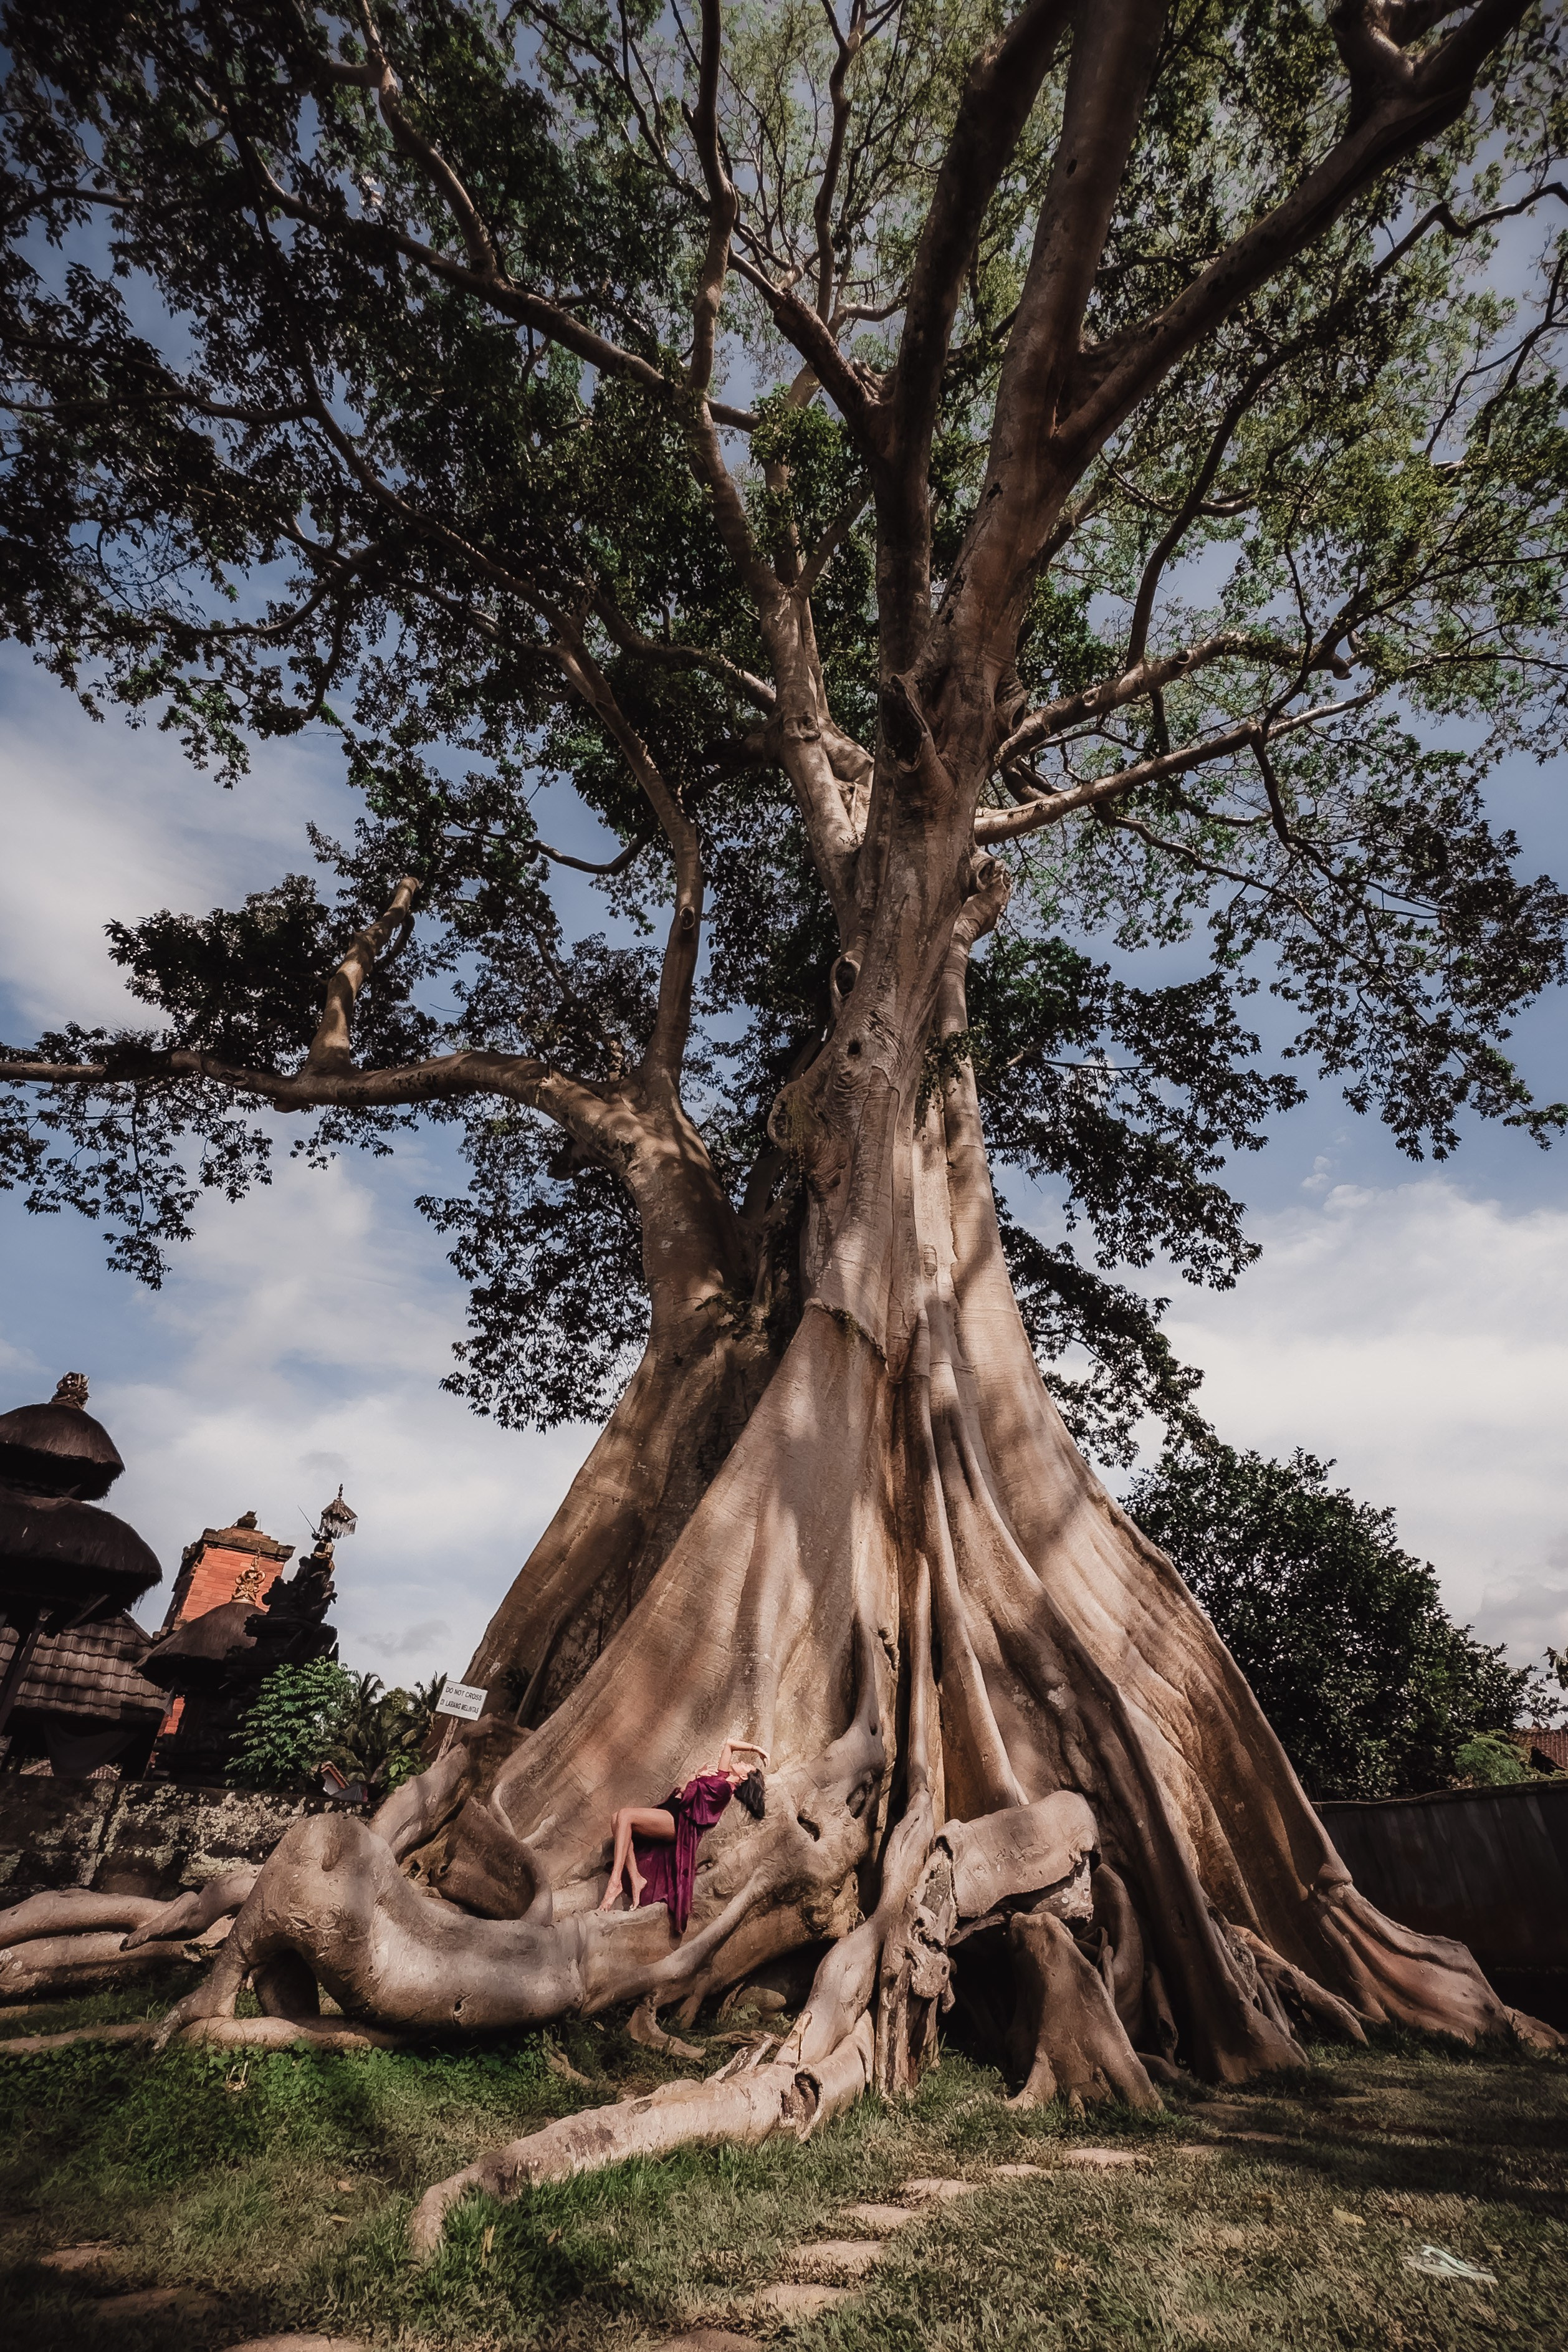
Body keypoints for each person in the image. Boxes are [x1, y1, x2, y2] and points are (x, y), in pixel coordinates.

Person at [598, 1739, 770, 1931]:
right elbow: (729, 1744)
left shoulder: (724, 1790)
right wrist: (757, 1749)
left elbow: (688, 1797)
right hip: (672, 1811)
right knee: (617, 1819)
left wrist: (693, 1779)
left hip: (678, 1823)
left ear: (744, 1777)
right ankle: (636, 1878)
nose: (743, 1762)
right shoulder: (723, 1776)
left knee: (625, 1815)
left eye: (747, 1765)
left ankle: (615, 1883)